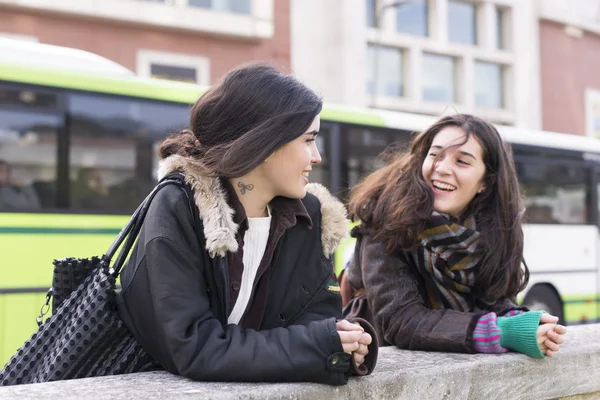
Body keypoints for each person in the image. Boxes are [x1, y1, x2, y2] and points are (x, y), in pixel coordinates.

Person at [117, 63, 378, 385]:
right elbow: (194, 348)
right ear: (266, 142)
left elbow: (319, 323)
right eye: (308, 140)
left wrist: (347, 344)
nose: (317, 157)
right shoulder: (179, 204)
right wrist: (322, 346)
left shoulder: (310, 215)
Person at [342, 114, 566, 358]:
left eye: (462, 161)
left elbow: (496, 300)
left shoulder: (498, 232)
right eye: (435, 154)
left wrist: (524, 324)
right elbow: (401, 321)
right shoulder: (386, 218)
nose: (442, 168)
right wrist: (498, 332)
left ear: (485, 183)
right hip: (381, 361)